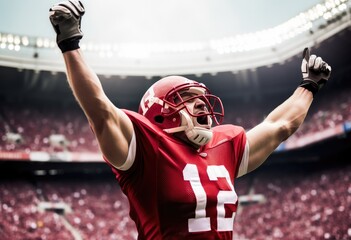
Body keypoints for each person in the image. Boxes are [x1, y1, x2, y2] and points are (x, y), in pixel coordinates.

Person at [49, 1, 332, 239]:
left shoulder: (226, 144)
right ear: (158, 113)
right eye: (185, 97)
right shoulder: (145, 150)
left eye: (200, 96)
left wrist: (308, 86)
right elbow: (100, 109)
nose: (200, 103)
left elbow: (279, 126)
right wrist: (70, 44)